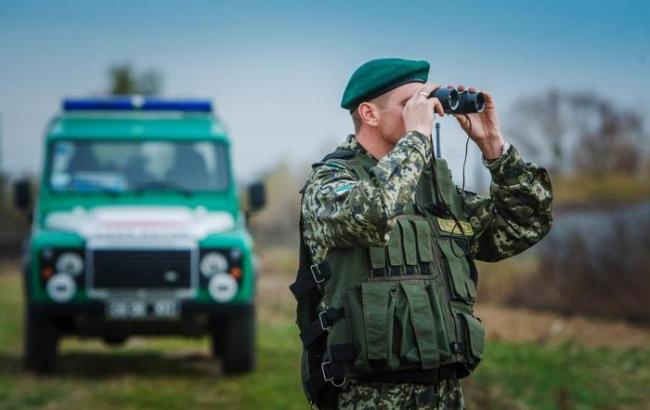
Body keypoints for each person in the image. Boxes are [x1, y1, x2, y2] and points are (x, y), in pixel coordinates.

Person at [290, 58, 553, 410]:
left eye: (425, 102)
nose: (426, 113)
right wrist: (416, 137)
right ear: (369, 114)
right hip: (367, 398)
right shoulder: (331, 182)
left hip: (445, 396)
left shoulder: (433, 192)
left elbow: (524, 224)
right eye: (409, 104)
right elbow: (374, 213)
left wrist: (494, 147)